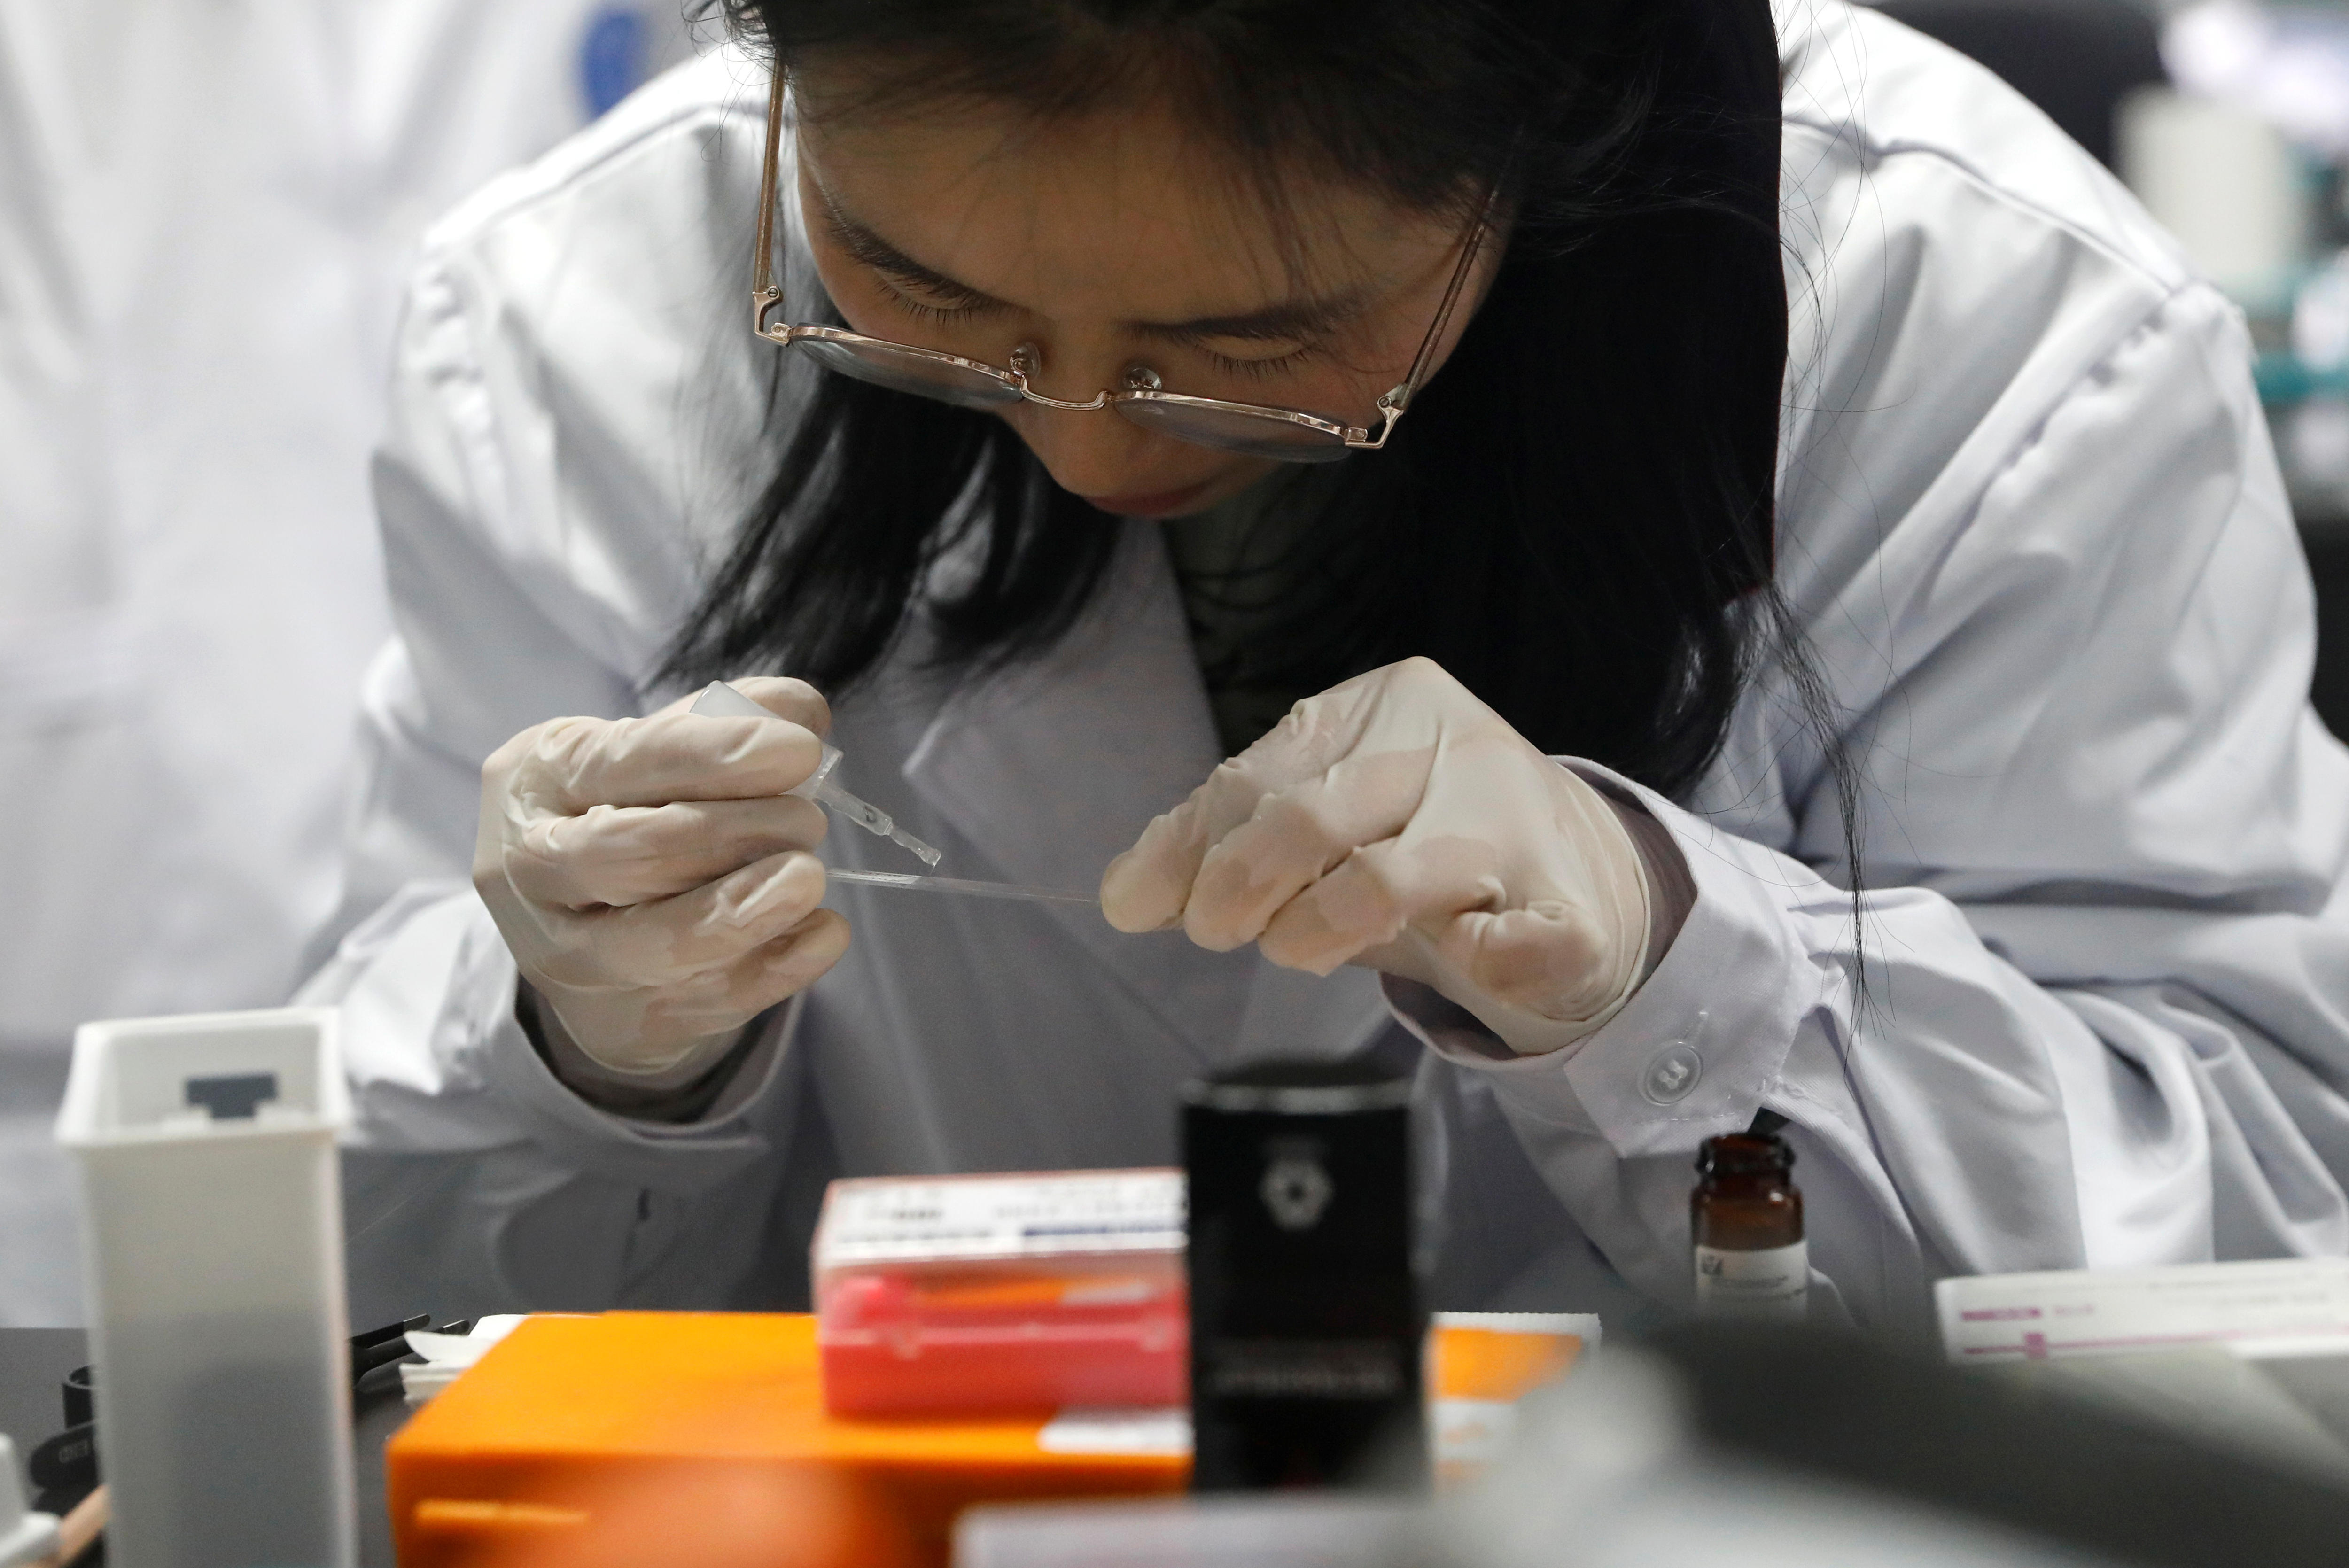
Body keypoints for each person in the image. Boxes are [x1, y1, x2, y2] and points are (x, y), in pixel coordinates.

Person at [304, 0, 2349, 1332]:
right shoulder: (573, 322)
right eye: (920, 291)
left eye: (1252, 349)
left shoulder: (1987, 339)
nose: (1089, 445)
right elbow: (359, 1294)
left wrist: (1672, 967)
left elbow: (2264, 1234)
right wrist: (581, 1047)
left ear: (1537, 143)